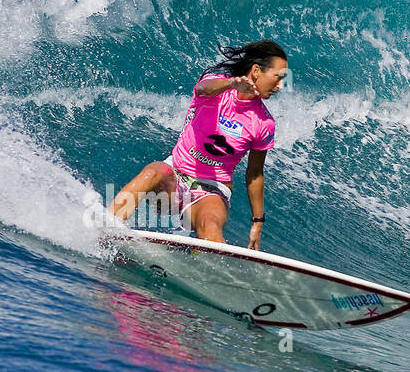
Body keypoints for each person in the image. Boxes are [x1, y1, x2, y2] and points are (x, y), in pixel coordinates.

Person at [108, 39, 287, 250]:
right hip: (174, 179)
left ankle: (209, 274)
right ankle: (106, 228)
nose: (281, 86)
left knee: (210, 226)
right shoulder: (216, 87)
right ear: (256, 71)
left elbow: (255, 174)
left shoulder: (263, 123)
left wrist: (258, 222)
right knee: (154, 171)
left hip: (212, 190)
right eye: (277, 78)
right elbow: (203, 89)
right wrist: (231, 83)